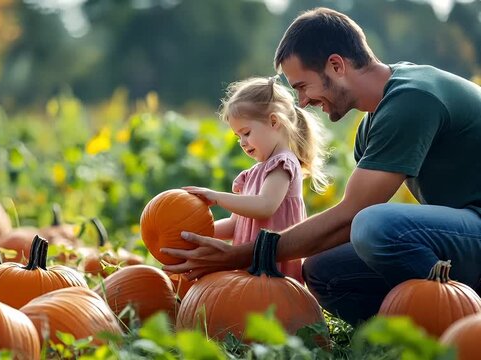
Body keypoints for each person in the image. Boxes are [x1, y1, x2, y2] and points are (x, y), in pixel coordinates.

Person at [161, 7, 481, 326]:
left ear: (336, 65)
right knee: (322, 270)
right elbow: (342, 224)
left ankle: (460, 322)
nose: (301, 102)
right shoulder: (372, 126)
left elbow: (354, 214)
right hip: (462, 234)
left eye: (302, 86)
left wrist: (245, 253)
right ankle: (404, 331)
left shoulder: (413, 99)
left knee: (375, 225)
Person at [182, 76, 329, 284]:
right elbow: (235, 224)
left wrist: (216, 197)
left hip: (272, 273)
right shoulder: (253, 173)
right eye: (237, 136)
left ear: (273, 122)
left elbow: (265, 206)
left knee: (265, 309)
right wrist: (197, 233)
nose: (242, 142)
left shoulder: (283, 164)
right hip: (250, 271)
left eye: (246, 133)